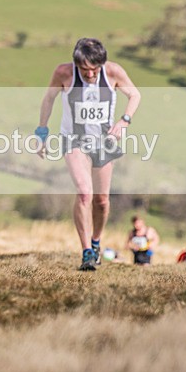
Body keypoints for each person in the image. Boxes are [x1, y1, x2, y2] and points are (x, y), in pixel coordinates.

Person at [37, 38, 141, 271]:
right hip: (73, 140)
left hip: (104, 141)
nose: (91, 74)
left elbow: (135, 95)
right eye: (85, 70)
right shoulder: (64, 73)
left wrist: (124, 122)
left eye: (95, 69)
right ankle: (86, 252)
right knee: (85, 193)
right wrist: (42, 132)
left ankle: (96, 241)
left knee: (101, 201)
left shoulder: (113, 72)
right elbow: (49, 99)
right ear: (77, 65)